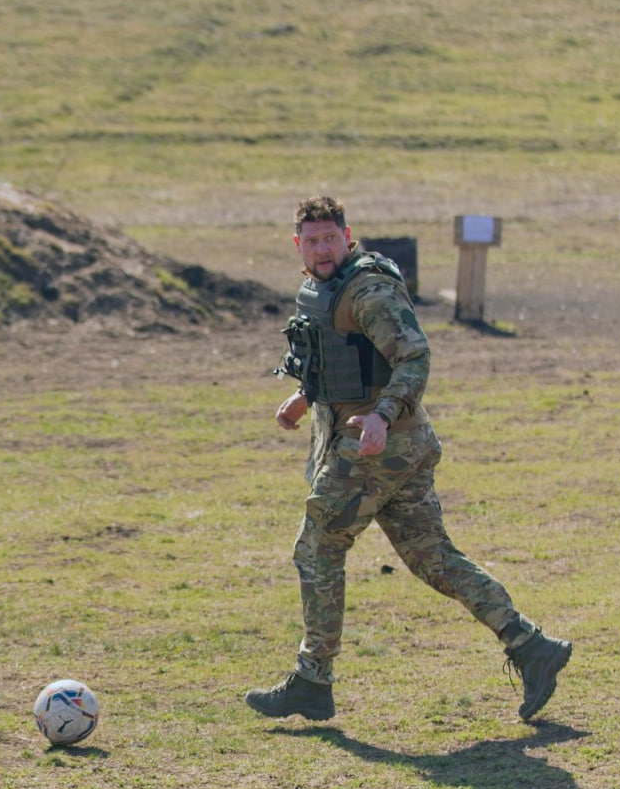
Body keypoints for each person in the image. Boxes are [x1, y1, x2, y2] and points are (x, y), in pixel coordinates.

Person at [244, 195, 571, 723]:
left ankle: (312, 679)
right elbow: (344, 360)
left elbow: (413, 357)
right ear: (297, 244)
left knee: (318, 545)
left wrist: (381, 416)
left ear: (348, 237)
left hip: (380, 445)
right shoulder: (323, 289)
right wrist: (307, 397)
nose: (323, 248)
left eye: (331, 238)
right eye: (312, 240)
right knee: (434, 560)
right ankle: (532, 647)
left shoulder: (368, 289)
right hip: (398, 447)